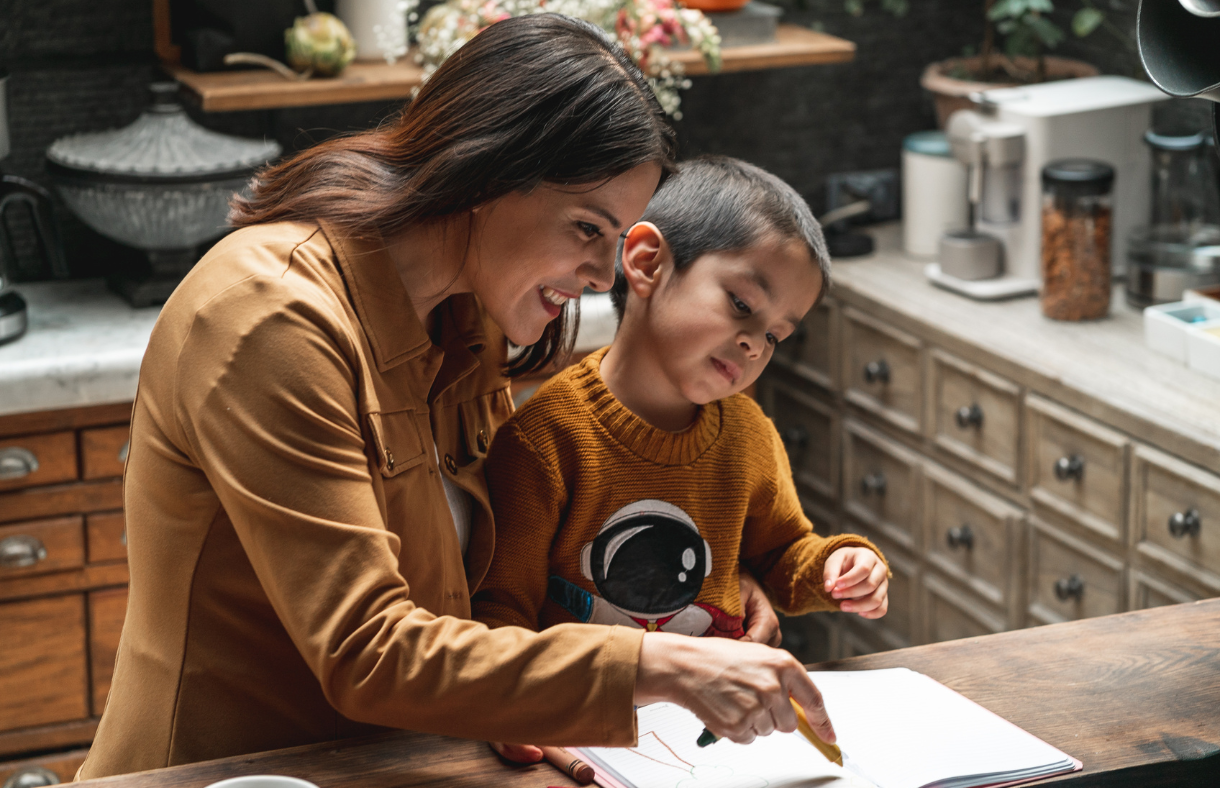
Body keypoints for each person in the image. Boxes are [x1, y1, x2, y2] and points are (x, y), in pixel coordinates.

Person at [77, 16, 836, 781]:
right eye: (585, 228)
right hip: (234, 775)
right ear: (484, 172)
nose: (604, 275)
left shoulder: (464, 315)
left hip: (399, 761)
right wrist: (659, 662)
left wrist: (704, 587)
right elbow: (369, 651)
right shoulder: (268, 318)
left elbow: (489, 572)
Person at [473, 157, 891, 759]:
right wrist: (516, 713)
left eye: (776, 335)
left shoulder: (748, 433)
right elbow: (499, 614)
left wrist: (840, 565)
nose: (754, 344)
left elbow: (781, 554)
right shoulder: (545, 439)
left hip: (715, 741)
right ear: (647, 263)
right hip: (581, 738)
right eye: (743, 305)